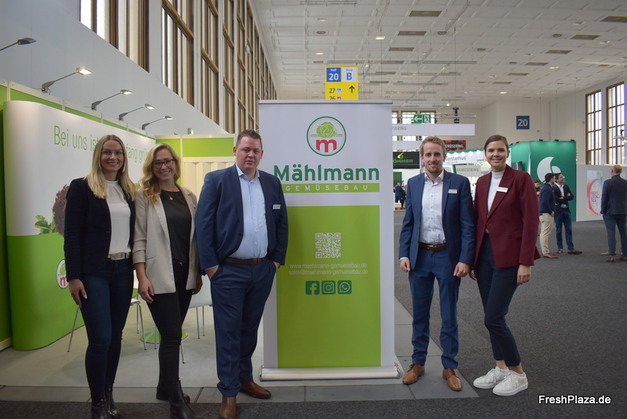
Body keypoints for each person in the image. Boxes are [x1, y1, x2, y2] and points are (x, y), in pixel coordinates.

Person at [196, 129, 288, 419]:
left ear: (262, 154)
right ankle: (228, 393)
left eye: (255, 150)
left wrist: (275, 261)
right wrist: (212, 268)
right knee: (228, 334)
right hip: (228, 272)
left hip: (262, 270)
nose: (250, 154)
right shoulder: (217, 181)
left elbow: (281, 222)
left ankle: (245, 379)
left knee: (249, 330)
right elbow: (203, 225)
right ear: (235, 150)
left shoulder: (271, 183)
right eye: (246, 149)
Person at [64, 134, 136, 419]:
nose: (113, 157)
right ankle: (97, 403)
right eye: (107, 152)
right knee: (101, 339)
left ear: (124, 158)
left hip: (123, 271)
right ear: (98, 155)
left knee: (116, 338)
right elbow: (72, 234)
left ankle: (108, 392)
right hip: (94, 273)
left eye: (118, 153)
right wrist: (74, 276)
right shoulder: (82, 187)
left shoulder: (128, 189)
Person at [399, 136, 474, 392]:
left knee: (449, 313)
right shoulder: (413, 184)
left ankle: (449, 366)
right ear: (422, 158)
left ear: (444, 156)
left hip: (448, 257)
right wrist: (404, 254)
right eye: (428, 155)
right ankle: (418, 362)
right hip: (419, 257)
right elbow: (409, 222)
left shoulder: (459, 183)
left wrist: (465, 258)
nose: (432, 159)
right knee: (419, 312)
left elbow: (467, 225)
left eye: (437, 154)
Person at [133, 143, 202, 419]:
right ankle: (176, 400)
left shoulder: (188, 195)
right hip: (158, 275)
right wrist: (141, 276)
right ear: (151, 167)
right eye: (158, 163)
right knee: (173, 336)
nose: (164, 166)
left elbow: (195, 239)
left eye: (168, 161)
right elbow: (139, 237)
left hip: (185, 276)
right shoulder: (144, 196)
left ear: (175, 163)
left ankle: (164, 387)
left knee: (170, 334)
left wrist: (197, 273)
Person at [470, 135, 540, 397]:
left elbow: (530, 221)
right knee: (491, 316)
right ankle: (500, 367)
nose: (495, 154)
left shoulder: (521, 179)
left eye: (500, 150)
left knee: (494, 318)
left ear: (507, 152)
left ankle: (518, 373)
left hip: (510, 256)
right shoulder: (483, 182)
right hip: (485, 256)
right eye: (491, 150)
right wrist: (474, 259)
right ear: (485, 154)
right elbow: (479, 221)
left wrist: (525, 262)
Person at [600, 164, 627, 262]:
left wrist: (603, 210)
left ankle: (612, 254)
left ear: (612, 171)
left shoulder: (607, 182)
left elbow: (604, 197)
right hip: (622, 210)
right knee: (623, 232)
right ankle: (625, 253)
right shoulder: (625, 183)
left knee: (611, 232)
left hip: (610, 211)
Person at [552, 173, 582, 255]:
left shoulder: (566, 187)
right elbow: (556, 199)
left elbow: (571, 197)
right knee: (558, 230)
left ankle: (571, 248)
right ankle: (560, 248)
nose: (563, 178)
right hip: (558, 211)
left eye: (563, 177)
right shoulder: (553, 188)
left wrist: (563, 197)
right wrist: (565, 197)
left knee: (569, 230)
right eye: (561, 177)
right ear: (556, 179)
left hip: (566, 210)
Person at [538, 173, 558, 258]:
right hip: (546, 214)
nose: (555, 179)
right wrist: (550, 211)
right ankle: (545, 252)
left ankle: (545, 251)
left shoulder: (546, 188)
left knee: (544, 233)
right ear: (551, 179)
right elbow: (544, 202)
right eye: (554, 178)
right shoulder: (547, 189)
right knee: (545, 233)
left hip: (544, 213)